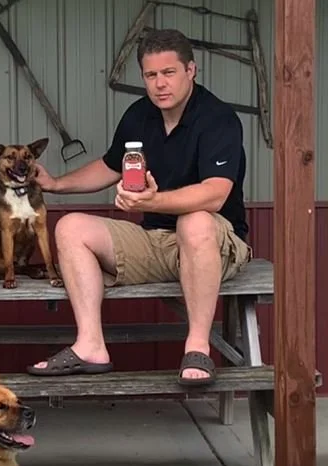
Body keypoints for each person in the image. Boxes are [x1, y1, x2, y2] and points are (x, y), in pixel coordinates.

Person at [27, 28, 251, 385]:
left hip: (215, 243)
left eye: (169, 72)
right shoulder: (139, 114)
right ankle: (90, 345)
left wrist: (153, 200)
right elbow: (110, 166)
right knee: (70, 227)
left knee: (194, 221)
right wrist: (56, 184)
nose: (160, 84)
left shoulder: (217, 118)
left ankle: (197, 347)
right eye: (151, 75)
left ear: (191, 70)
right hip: (157, 239)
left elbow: (215, 195)